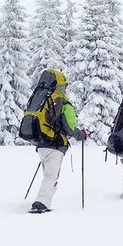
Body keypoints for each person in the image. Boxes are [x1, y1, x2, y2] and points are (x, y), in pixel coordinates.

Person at [29, 73, 88, 214]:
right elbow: (70, 128)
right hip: (55, 145)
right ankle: (41, 203)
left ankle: (44, 199)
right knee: (51, 176)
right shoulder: (63, 104)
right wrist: (82, 135)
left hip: (41, 144)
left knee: (49, 175)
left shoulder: (41, 100)